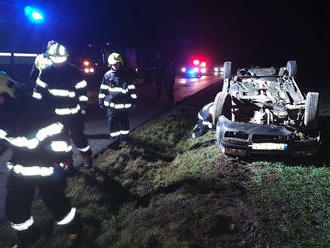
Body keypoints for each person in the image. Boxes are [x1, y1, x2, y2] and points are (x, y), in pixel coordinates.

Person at [0, 71, 80, 248]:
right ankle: (29, 239)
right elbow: (4, 139)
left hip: (48, 166)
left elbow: (59, 132)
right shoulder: (2, 113)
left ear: (7, 92)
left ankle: (75, 231)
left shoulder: (35, 108)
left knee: (56, 203)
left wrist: (63, 160)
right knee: (14, 208)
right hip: (21, 168)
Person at [32, 42, 92, 168]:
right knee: (60, 141)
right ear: (51, 57)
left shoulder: (74, 71)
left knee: (79, 138)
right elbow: (38, 94)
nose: (59, 63)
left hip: (74, 114)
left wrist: (82, 107)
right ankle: (67, 162)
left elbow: (82, 90)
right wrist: (38, 111)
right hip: (55, 116)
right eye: (56, 59)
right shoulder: (45, 73)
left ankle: (87, 158)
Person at [98, 52, 137, 149]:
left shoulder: (126, 74)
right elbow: (103, 89)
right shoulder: (107, 75)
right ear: (110, 64)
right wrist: (101, 101)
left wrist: (133, 101)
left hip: (124, 106)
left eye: (116, 63)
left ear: (120, 63)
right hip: (111, 106)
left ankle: (125, 140)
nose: (115, 65)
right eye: (113, 63)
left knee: (124, 124)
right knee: (113, 125)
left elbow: (132, 88)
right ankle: (115, 142)